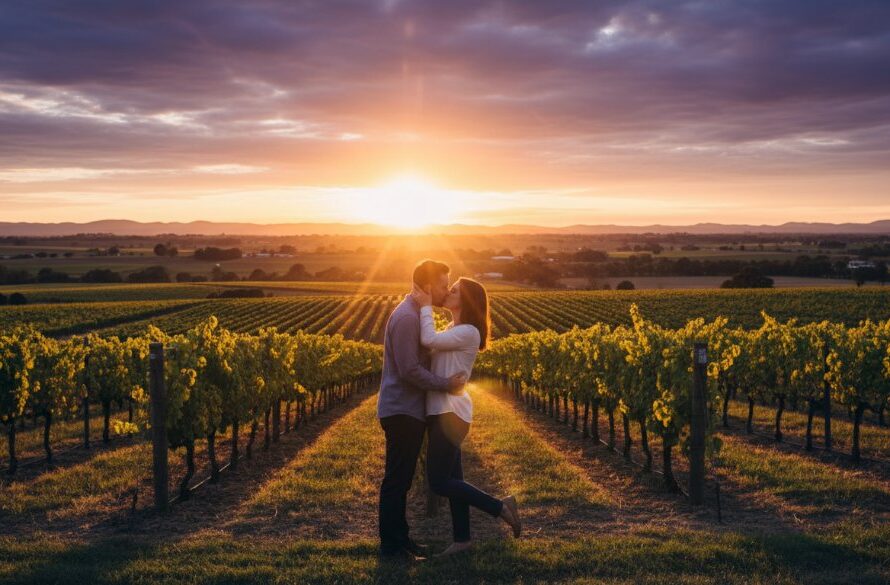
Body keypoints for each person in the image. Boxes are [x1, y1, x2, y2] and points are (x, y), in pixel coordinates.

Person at [413, 276, 522, 557]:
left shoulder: (469, 332)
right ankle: (462, 540)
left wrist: (425, 306)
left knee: (439, 482)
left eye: (455, 290)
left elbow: (428, 339)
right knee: (454, 479)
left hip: (450, 413)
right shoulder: (454, 329)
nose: (449, 292)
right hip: (442, 411)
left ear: (467, 300)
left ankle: (500, 507)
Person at [376, 260, 468, 560]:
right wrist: (445, 384)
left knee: (401, 479)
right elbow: (409, 369)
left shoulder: (416, 314)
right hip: (402, 410)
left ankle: (402, 540)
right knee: (397, 480)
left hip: (408, 409)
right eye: (443, 284)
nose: (446, 290)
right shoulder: (407, 317)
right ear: (428, 286)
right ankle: (391, 547)